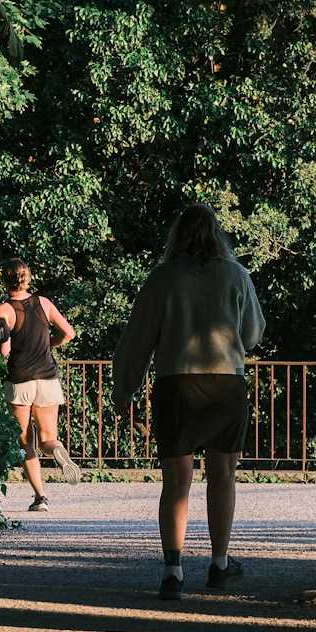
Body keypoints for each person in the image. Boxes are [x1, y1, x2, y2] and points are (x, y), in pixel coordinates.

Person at [111, 203, 264, 602]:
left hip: (175, 384)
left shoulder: (162, 277)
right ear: (217, 233)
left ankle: (173, 571)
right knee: (223, 476)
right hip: (225, 384)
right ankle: (219, 564)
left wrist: (125, 388)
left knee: (177, 482)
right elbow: (251, 335)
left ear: (176, 233)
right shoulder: (236, 274)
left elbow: (138, 337)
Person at [0, 259, 80, 511]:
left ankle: (40, 497)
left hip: (20, 381)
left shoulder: (4, 311)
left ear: (4, 280)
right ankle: (58, 450)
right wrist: (48, 344)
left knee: (26, 443)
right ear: (27, 278)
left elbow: (4, 350)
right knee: (47, 439)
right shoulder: (44, 303)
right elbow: (69, 333)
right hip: (47, 379)